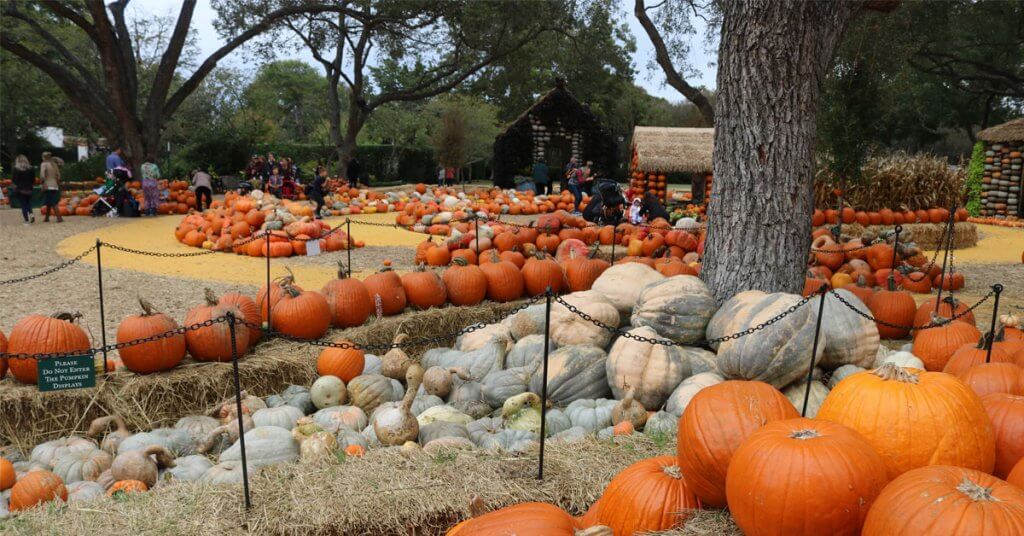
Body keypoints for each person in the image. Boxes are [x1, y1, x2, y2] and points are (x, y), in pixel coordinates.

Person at [12, 154, 35, 225]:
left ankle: (26, 221)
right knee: (28, 203)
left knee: (23, 205)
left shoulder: (16, 169)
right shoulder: (31, 168)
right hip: (29, 189)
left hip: (20, 189)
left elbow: (14, 180)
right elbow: (33, 179)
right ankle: (31, 214)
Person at [40, 152, 63, 223]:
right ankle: (46, 217)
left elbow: (42, 176)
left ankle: (59, 218)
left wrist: (42, 183)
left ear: (43, 157)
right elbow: (59, 176)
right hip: (55, 185)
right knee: (49, 202)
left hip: (47, 185)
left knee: (53, 202)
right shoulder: (54, 164)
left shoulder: (43, 164)